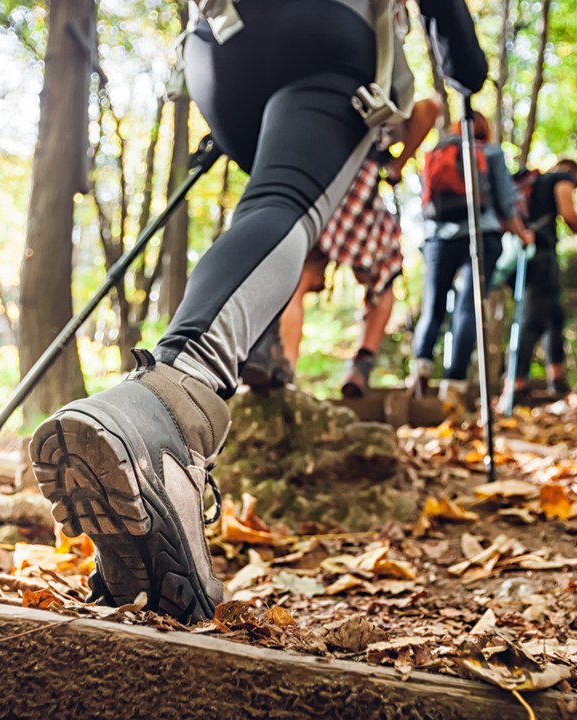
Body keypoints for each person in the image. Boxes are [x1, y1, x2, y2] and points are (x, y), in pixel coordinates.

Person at [29, 0, 487, 622]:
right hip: (324, 34)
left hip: (216, 50)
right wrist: (466, 69)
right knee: (282, 204)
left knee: (268, 203)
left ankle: (250, 361)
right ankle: (173, 408)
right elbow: (453, 40)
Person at [273, 96, 442, 398]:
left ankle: (285, 371)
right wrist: (398, 164)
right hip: (360, 191)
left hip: (317, 186)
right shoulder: (380, 97)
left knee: (297, 282)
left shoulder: (319, 101)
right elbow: (431, 107)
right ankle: (361, 364)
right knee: (383, 279)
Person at [409, 113, 526, 406]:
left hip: (438, 238)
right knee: (468, 307)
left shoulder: (438, 152)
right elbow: (505, 202)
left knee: (433, 306)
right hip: (481, 234)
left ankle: (420, 367)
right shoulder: (490, 152)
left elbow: (425, 204)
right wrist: (522, 234)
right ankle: (454, 384)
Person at [505, 158, 577, 400]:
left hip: (523, 256)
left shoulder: (533, 183)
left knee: (553, 316)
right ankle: (516, 384)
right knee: (532, 319)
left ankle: (557, 380)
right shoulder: (561, 178)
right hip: (540, 255)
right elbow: (568, 213)